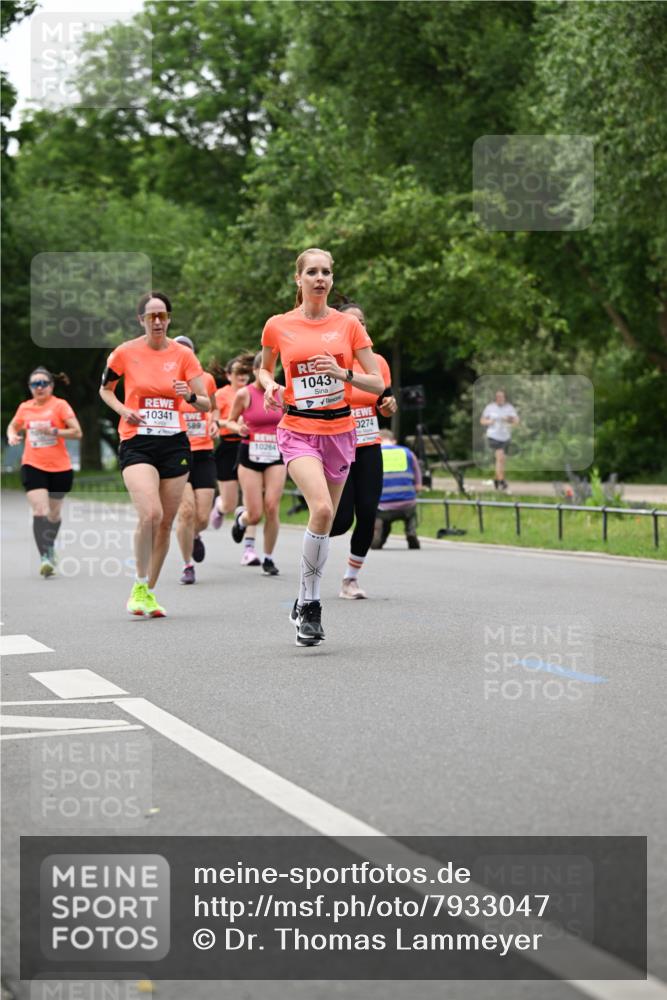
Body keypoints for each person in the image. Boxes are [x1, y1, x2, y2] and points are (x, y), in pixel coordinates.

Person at [259, 247, 384, 646]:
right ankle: (310, 606)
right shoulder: (278, 325)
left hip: (341, 432)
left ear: (332, 280)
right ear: (298, 279)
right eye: (311, 272)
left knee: (327, 522)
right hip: (297, 429)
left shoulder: (348, 326)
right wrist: (270, 385)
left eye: (326, 272)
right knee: (324, 508)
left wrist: (342, 373)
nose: (319, 278)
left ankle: (303, 598)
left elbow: (377, 383)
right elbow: (265, 367)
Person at [99, 292, 210, 617]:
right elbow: (105, 389)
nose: (158, 321)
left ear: (169, 319)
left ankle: (148, 591)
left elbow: (206, 403)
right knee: (150, 514)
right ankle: (137, 583)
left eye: (162, 315)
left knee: (165, 523)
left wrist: (189, 395)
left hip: (174, 442)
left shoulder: (184, 356)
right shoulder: (125, 353)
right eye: (151, 317)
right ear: (141, 321)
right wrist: (123, 410)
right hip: (137, 441)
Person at [329, 302, 397, 599]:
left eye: (362, 322)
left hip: (369, 445)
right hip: (337, 446)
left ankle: (350, 579)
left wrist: (388, 407)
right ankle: (314, 537)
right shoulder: (328, 362)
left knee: (368, 512)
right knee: (341, 520)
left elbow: (386, 403)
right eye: (351, 323)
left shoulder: (377, 362)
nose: (358, 327)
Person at [6, 367, 82, 577]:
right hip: (33, 464)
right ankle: (45, 556)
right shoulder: (25, 407)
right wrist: (12, 435)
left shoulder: (60, 405)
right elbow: (12, 426)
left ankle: (50, 546)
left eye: (43, 383)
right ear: (30, 387)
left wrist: (55, 431)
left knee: (54, 514)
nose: (39, 388)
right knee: (40, 511)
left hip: (60, 468)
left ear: (51, 385)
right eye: (34, 384)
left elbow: (77, 432)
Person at [226, 351, 286, 576]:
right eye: (264, 371)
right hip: (250, 455)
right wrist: (238, 428)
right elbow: (230, 421)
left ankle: (268, 558)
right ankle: (242, 519)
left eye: (272, 371)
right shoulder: (244, 394)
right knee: (255, 514)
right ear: (255, 371)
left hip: (275, 454)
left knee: (272, 506)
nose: (268, 376)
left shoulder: (282, 394)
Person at [172, 336, 219, 584]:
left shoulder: (206, 380)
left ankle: (193, 536)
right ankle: (187, 565)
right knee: (187, 512)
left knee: (202, 517)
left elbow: (214, 407)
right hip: (178, 453)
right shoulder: (165, 382)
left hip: (204, 453)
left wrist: (216, 422)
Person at [209, 354, 259, 564]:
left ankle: (249, 550)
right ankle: (220, 506)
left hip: (249, 445)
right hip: (228, 446)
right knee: (230, 504)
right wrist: (231, 422)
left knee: (252, 502)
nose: (242, 377)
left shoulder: (255, 393)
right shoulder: (220, 395)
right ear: (229, 375)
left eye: (245, 373)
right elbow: (214, 419)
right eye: (238, 373)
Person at [372, 430, 423, 550]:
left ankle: (379, 533)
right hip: (407, 504)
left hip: (382, 506)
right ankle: (411, 530)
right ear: (394, 441)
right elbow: (418, 483)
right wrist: (416, 488)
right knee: (411, 514)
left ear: (377, 440)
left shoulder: (374, 454)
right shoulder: (408, 453)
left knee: (380, 516)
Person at [480, 388, 519, 492]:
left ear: (505, 398)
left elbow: (516, 422)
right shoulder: (490, 407)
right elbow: (482, 420)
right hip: (493, 436)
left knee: (502, 460)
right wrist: (489, 421)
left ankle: (496, 480)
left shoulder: (509, 408)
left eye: (502, 396)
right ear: (495, 398)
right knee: (500, 458)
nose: (500, 398)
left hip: (505, 436)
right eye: (498, 397)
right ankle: (502, 481)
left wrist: (508, 419)